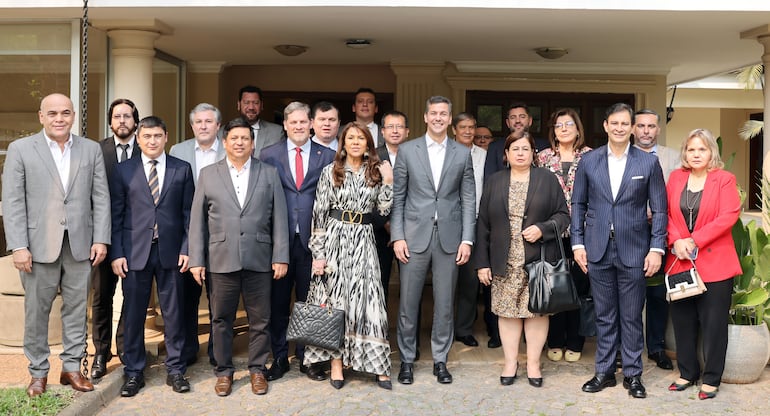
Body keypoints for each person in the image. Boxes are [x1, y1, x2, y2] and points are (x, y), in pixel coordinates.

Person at [2, 93, 110, 397]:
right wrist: (18, 245)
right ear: (41, 116)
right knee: (37, 312)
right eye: (52, 113)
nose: (59, 118)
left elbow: (100, 197)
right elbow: (12, 201)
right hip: (36, 248)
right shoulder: (21, 149)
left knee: (77, 310)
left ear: (73, 116)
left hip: (80, 245)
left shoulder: (90, 150)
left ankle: (72, 368)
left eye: (65, 113)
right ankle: (38, 372)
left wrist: (101, 237)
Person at [571, 103, 667, 399]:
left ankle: (633, 374)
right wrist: (577, 243)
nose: (620, 128)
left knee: (631, 315)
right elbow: (578, 204)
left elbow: (660, 210)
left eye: (626, 123)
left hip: (635, 250)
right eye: (615, 122)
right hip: (597, 248)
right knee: (604, 314)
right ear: (605, 125)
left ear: (633, 128)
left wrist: (656, 249)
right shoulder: (589, 161)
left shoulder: (647, 163)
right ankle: (604, 372)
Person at [188, 117, 290, 397]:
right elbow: (197, 221)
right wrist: (197, 259)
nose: (240, 142)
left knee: (261, 319)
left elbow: (280, 217)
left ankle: (257, 369)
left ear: (252, 142)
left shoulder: (268, 173)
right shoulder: (208, 174)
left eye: (245, 138)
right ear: (225, 142)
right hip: (220, 258)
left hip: (260, 257)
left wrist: (281, 255)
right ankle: (224, 371)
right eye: (234, 138)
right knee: (221, 319)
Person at [303, 122, 394, 390]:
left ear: (368, 143)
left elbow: (384, 210)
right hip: (334, 240)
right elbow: (319, 213)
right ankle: (336, 364)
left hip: (364, 239)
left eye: (361, 138)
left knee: (371, 301)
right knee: (337, 303)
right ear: (343, 143)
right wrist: (318, 254)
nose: (355, 142)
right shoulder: (330, 171)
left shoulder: (376, 172)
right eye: (350, 138)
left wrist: (388, 182)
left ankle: (378, 365)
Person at [392, 96, 476, 385]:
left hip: (450, 238)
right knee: (408, 303)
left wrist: (467, 239)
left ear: (450, 119)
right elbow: (398, 198)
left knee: (444, 304)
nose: (438, 118)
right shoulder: (407, 150)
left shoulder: (462, 153)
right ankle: (406, 360)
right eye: (433, 113)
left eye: (444, 114)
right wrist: (397, 237)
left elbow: (468, 198)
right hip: (413, 237)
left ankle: (441, 360)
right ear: (425, 117)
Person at [476, 132, 570, 388]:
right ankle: (510, 362)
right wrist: (482, 262)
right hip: (503, 258)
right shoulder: (495, 181)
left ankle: (533, 364)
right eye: (514, 149)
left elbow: (564, 215)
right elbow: (482, 224)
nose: (520, 153)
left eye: (525, 149)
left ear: (533, 154)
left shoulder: (547, 179)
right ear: (505, 155)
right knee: (507, 313)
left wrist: (543, 228)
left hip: (538, 258)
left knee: (537, 312)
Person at [110, 116, 195, 397]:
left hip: (171, 252)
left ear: (166, 136)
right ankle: (133, 372)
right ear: (139, 138)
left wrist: (186, 249)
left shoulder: (182, 169)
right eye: (146, 137)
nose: (152, 141)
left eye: (157, 136)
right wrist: (117, 253)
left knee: (174, 314)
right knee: (133, 315)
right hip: (134, 252)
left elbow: (189, 216)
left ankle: (176, 369)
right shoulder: (124, 170)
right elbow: (117, 216)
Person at [260, 102, 337, 382]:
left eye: (304, 122)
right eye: (293, 122)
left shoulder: (328, 156)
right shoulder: (268, 155)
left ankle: (307, 358)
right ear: (285, 125)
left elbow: (334, 202)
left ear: (312, 124)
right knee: (278, 303)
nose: (299, 126)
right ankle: (280, 356)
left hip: (313, 242)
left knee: (309, 303)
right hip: (278, 241)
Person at [664, 128, 741, 400]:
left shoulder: (724, 179)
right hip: (680, 261)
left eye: (702, 149)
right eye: (691, 149)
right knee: (683, 321)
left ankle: (711, 378)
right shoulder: (675, 178)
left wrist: (693, 240)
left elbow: (728, 216)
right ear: (685, 152)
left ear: (711, 153)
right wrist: (676, 241)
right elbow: (667, 215)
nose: (696, 154)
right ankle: (687, 372)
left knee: (713, 324)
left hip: (716, 264)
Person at [169, 103, 227, 368]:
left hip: (221, 232)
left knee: (219, 297)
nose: (203, 126)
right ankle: (189, 349)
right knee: (187, 297)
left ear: (218, 125)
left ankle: (218, 351)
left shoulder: (231, 148)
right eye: (198, 122)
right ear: (192, 126)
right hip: (186, 233)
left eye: (209, 121)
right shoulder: (178, 151)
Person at [537, 108, 592, 364]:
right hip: (552, 233)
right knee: (555, 286)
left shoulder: (592, 157)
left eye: (569, 124)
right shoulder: (543, 157)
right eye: (559, 125)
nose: (564, 128)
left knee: (579, 289)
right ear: (554, 131)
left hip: (584, 232)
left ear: (578, 129)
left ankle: (575, 341)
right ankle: (555, 340)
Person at [91, 98, 140, 379]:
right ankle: (100, 351)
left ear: (135, 120)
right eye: (117, 116)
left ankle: (125, 348)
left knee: (133, 295)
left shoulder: (145, 149)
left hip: (135, 237)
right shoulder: (97, 150)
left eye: (128, 116)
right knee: (102, 296)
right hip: (102, 237)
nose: (122, 121)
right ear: (110, 121)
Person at [633, 108, 680, 371]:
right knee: (629, 294)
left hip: (661, 233)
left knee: (658, 294)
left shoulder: (673, 158)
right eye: (641, 126)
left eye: (651, 126)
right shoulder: (621, 156)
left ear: (658, 129)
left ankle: (657, 347)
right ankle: (629, 348)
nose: (646, 131)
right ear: (632, 129)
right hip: (629, 234)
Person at [451, 112, 487, 348]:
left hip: (474, 222)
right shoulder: (445, 153)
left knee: (469, 281)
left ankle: (463, 329)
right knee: (445, 280)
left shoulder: (484, 155)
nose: (467, 131)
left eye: (471, 127)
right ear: (454, 130)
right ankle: (442, 327)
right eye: (463, 127)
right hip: (447, 221)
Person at [375, 110, 410, 303]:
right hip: (379, 231)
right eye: (390, 127)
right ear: (382, 131)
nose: (395, 131)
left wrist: (400, 228)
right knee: (379, 284)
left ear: (407, 132)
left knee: (411, 288)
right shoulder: (371, 157)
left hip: (410, 230)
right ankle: (380, 330)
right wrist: (387, 224)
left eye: (400, 127)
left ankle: (409, 334)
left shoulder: (416, 155)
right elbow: (369, 195)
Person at [484, 102, 548, 179]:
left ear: (530, 121)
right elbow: (489, 179)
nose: (517, 121)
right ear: (507, 123)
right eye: (513, 117)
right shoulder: (495, 147)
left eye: (522, 117)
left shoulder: (544, 146)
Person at [236, 85, 283, 155]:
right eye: (246, 102)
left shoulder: (276, 132)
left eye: (256, 103)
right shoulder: (223, 131)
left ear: (261, 105)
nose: (251, 107)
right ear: (239, 105)